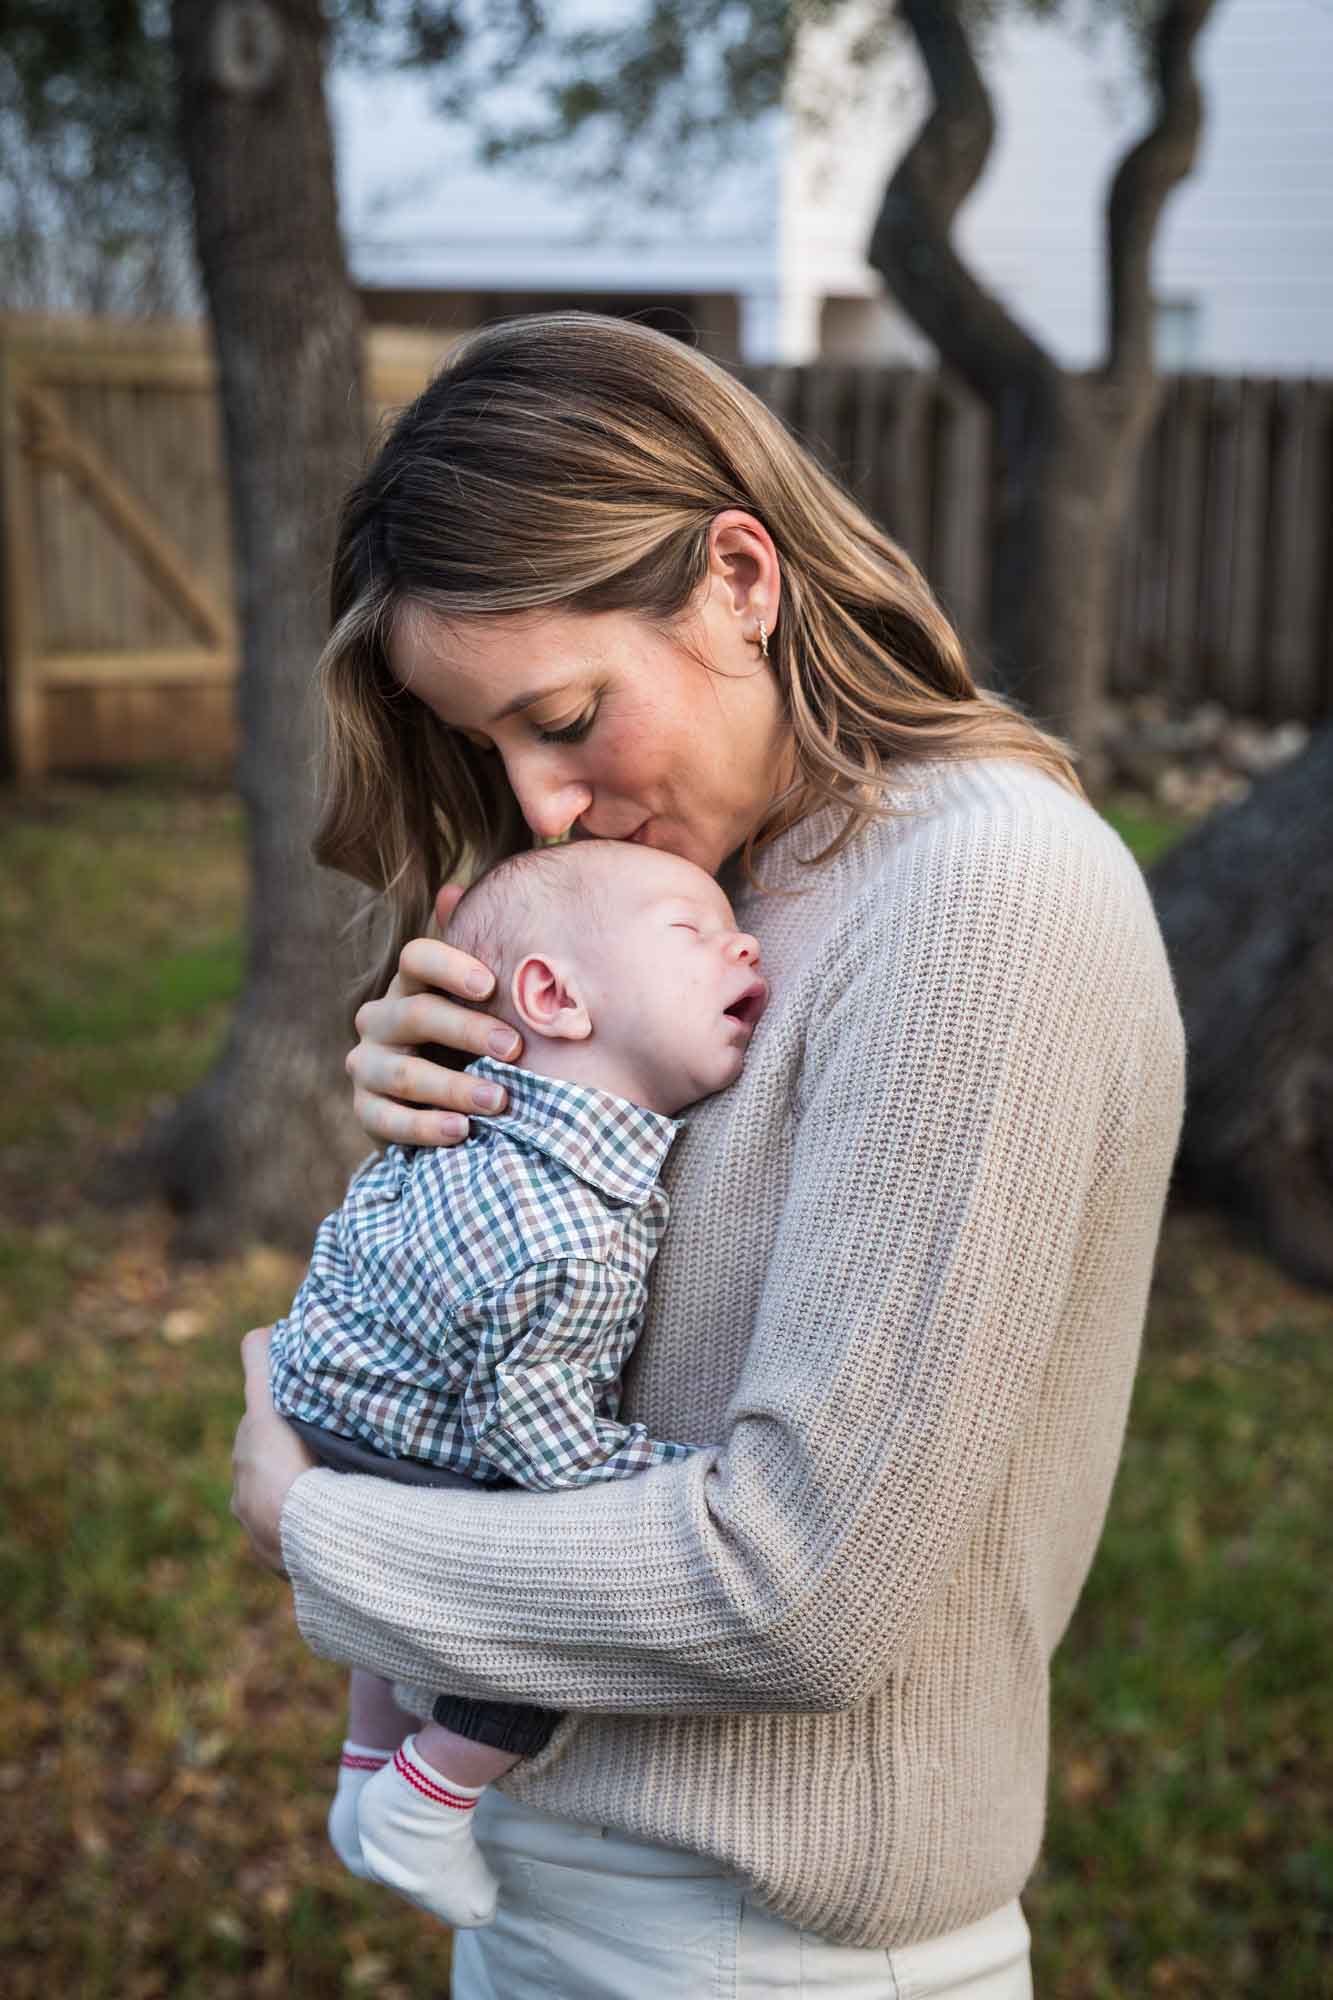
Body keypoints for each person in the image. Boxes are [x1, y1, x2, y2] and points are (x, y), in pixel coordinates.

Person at [231, 312, 1185, 1998]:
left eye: (566, 714)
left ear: (738, 579)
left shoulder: (980, 897)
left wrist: (321, 1533)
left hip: (753, 1945)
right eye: (490, 746)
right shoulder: (700, 889)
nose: (535, 804)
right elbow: (562, 1367)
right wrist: (444, 1138)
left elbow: (805, 1590)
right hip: (547, 1889)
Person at [266, 836, 768, 1929]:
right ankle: (424, 1793)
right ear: (553, 993)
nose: (744, 943)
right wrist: (696, 1472)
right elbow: (548, 1452)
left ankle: (363, 1761)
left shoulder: (475, 1107)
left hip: (327, 1386)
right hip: (410, 1432)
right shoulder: (572, 1238)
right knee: (535, 1615)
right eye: (694, 931)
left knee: (384, 1590)